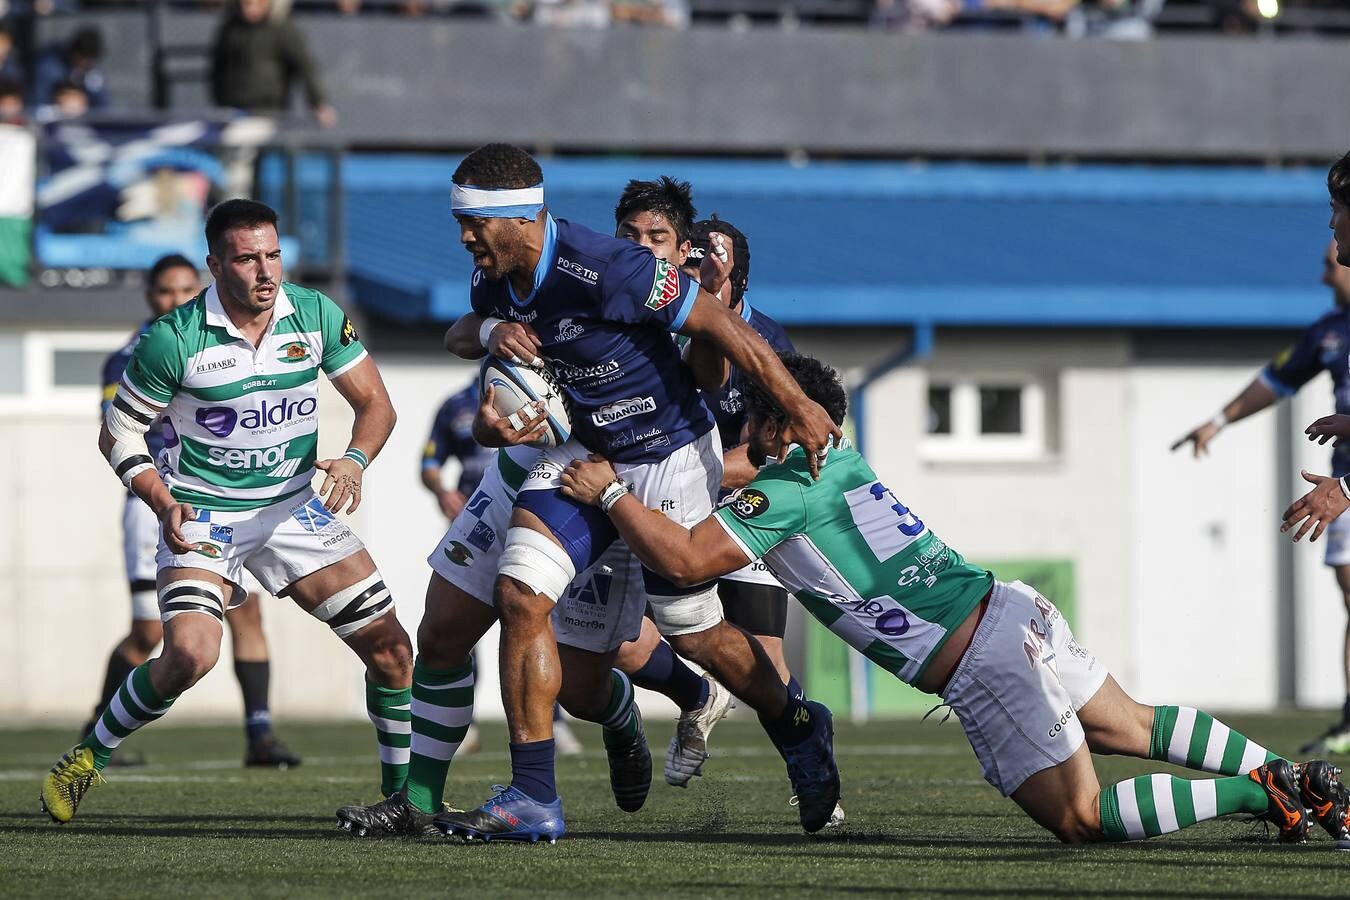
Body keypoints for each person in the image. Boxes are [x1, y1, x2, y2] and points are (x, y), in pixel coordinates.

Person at [562, 351, 1350, 845]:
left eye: (759, 423)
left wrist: (607, 493)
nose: (747, 440)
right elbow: (725, 468)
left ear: (780, 424)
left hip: (981, 659)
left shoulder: (785, 493)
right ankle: (1304, 780)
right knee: (1129, 724)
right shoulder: (836, 458)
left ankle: (1262, 789)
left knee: (1081, 818)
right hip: (1012, 611)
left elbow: (688, 556)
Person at [436, 143, 842, 843]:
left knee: (694, 631)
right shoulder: (495, 275)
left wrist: (796, 402)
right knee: (520, 594)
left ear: (524, 218)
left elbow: (719, 325)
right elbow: (460, 333)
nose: (464, 236)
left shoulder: (606, 266)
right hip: (584, 451)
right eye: (460, 221)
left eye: (475, 223)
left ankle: (795, 721)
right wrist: (490, 330)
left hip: (669, 455)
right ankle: (534, 796)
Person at [40, 199, 413, 824]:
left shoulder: (315, 314)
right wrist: (159, 496)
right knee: (189, 655)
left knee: (393, 649)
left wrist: (353, 460)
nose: (265, 272)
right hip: (206, 516)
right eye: (247, 259)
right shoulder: (173, 338)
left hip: (294, 510)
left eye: (272, 255)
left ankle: (402, 799)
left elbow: (377, 404)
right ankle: (87, 757)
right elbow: (119, 435)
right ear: (216, 264)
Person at [86, 253, 298, 769]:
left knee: (247, 609)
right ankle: (97, 728)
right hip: (162, 502)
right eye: (164, 292)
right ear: (149, 296)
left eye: (185, 291)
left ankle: (260, 733)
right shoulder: (133, 355)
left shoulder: (223, 336)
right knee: (150, 633)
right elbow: (123, 430)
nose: (175, 301)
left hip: (233, 499)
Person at [1173, 237, 1350, 755]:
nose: (1328, 271)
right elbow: (1276, 379)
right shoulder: (1329, 332)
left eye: (1333, 257)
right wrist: (1219, 420)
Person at [421, 381, 584, 757]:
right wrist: (442, 491)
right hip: (480, 515)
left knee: (538, 614)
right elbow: (430, 463)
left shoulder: (550, 387)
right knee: (453, 628)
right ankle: (465, 725)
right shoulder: (455, 405)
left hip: (543, 512)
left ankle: (553, 722)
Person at [210, 0, 337, 127]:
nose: (249, 8)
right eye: (245, 3)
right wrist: (221, 101)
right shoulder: (230, 28)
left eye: (257, 3)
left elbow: (306, 67)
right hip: (231, 111)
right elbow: (218, 67)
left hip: (268, 111)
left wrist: (318, 103)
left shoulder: (283, 29)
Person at [31, 27, 109, 110]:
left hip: (84, 121)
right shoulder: (50, 67)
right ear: (76, 54)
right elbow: (40, 104)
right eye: (85, 60)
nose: (89, 64)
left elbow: (103, 107)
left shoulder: (92, 71)